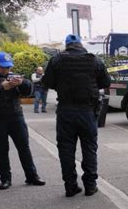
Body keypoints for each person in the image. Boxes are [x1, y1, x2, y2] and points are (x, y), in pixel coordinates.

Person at [42, 34, 111, 197]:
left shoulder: (56, 60)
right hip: (87, 111)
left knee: (66, 150)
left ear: (67, 45)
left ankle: (70, 186)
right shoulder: (95, 60)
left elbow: (47, 82)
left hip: (65, 111)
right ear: (80, 44)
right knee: (89, 149)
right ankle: (90, 186)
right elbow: (106, 83)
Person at [0, 52, 45, 189]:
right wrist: (1, 87)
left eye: (9, 67)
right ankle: (5, 179)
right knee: (1, 149)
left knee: (24, 147)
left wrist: (22, 83)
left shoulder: (13, 76)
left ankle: (32, 176)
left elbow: (29, 91)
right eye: (4, 67)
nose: (7, 70)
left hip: (15, 116)